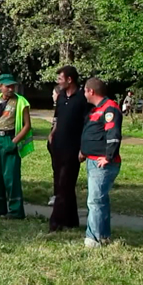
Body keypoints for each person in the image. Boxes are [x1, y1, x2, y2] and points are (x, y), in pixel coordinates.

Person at [80, 78, 123, 248]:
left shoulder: (109, 108)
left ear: (91, 91)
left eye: (85, 91)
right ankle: (103, 235)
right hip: (92, 160)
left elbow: (113, 135)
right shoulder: (96, 110)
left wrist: (108, 157)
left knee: (95, 201)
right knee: (101, 201)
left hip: (102, 164)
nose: (84, 94)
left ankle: (94, 238)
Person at [48, 66, 91, 232]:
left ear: (69, 80)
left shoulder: (82, 99)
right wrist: (52, 133)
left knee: (64, 184)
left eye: (61, 78)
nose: (58, 81)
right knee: (62, 184)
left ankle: (56, 221)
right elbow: (57, 117)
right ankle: (71, 220)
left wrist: (84, 148)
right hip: (58, 146)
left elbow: (88, 124)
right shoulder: (60, 97)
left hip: (73, 148)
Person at [0, 74, 34, 219]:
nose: (10, 89)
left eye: (12, 86)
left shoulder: (21, 102)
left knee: (11, 176)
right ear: (0, 86)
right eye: (7, 86)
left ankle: (16, 210)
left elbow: (27, 125)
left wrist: (15, 141)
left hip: (10, 139)